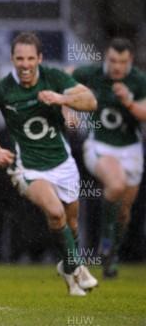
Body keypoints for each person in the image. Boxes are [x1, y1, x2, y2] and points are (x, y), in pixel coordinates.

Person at [0, 32, 99, 296]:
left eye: (30, 58)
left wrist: (62, 99)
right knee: (55, 212)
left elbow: (90, 101)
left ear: (39, 58)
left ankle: (68, 267)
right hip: (27, 167)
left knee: (71, 224)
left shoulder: (54, 77)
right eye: (19, 58)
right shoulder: (2, 88)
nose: (25, 64)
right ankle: (77, 267)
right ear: (12, 59)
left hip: (62, 164)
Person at [70, 38, 146, 278]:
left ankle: (111, 253)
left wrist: (129, 102)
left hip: (131, 148)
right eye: (113, 60)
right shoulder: (92, 74)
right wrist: (66, 105)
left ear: (130, 61)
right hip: (100, 145)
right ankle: (104, 238)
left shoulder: (138, 80)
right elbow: (65, 76)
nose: (116, 67)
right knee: (115, 184)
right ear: (106, 57)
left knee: (124, 212)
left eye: (122, 62)